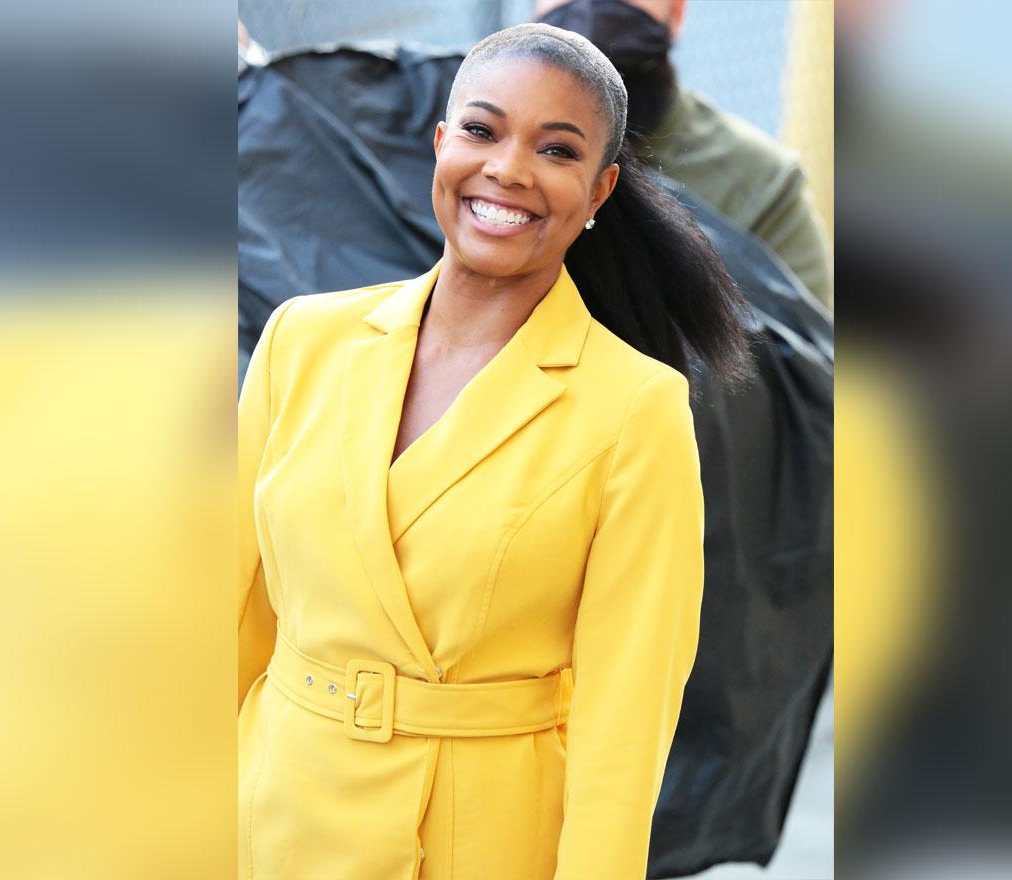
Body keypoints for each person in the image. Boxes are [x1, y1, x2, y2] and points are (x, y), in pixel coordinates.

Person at [238, 21, 751, 880]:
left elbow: (624, 728)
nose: (508, 168)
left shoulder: (637, 411)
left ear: (599, 192)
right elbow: (229, 618)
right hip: (277, 815)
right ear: (440, 144)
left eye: (556, 150)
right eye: (482, 130)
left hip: (480, 842)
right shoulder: (303, 341)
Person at [535, 0, 835, 307]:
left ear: (676, 12)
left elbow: (802, 346)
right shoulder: (495, 154)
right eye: (482, 131)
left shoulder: (761, 186)